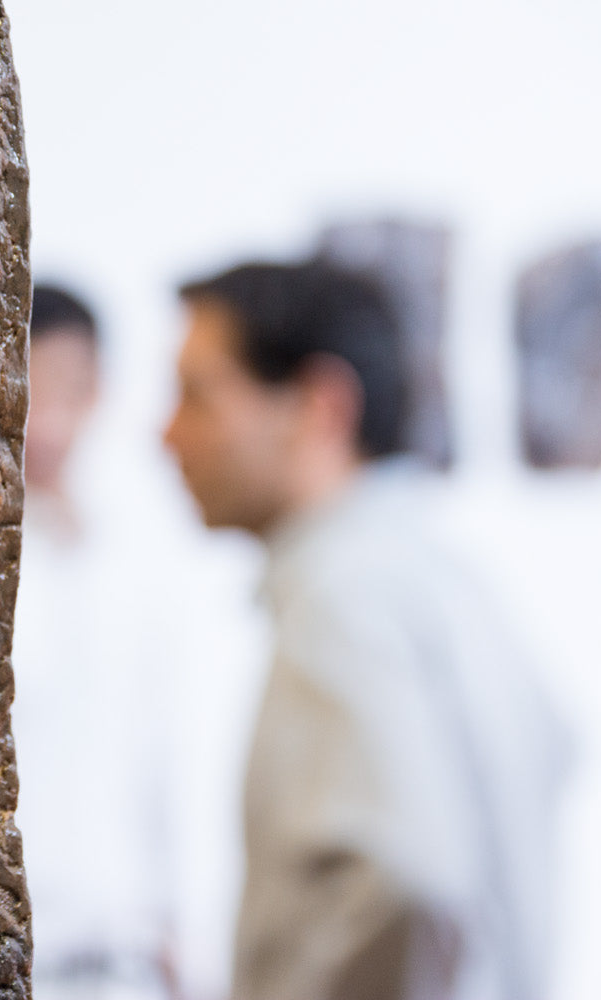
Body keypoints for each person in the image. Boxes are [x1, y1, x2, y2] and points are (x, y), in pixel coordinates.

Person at [161, 260, 570, 1000]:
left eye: (198, 396)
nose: (166, 433)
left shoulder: (344, 600)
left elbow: (408, 874)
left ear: (320, 404)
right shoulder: (440, 578)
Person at [13, 284, 179, 1000]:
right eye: (30, 384)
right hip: (6, 959)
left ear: (100, 392)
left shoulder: (138, 560)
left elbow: (164, 759)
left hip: (127, 961)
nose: (49, 418)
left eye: (71, 387)